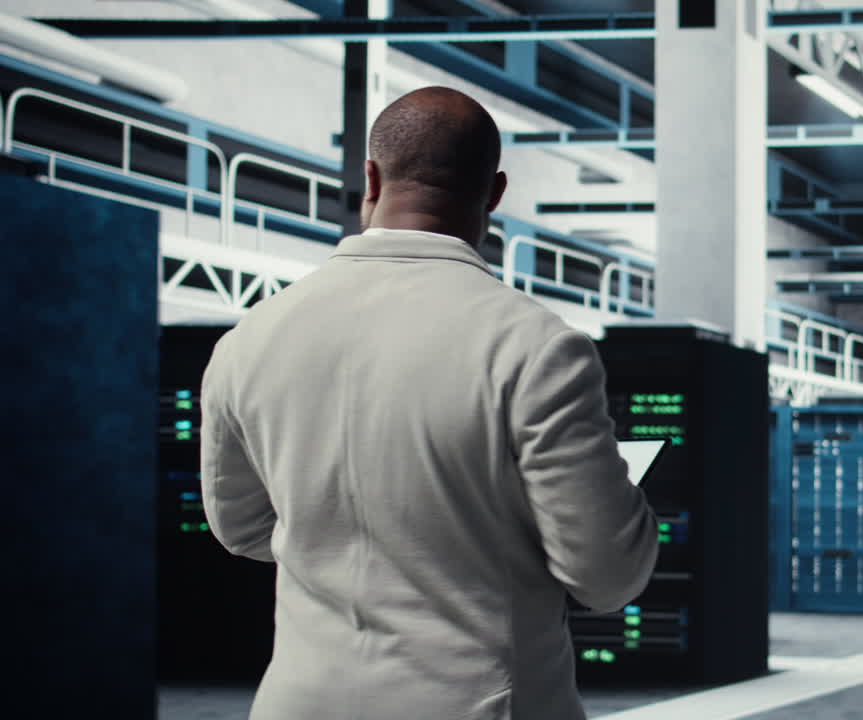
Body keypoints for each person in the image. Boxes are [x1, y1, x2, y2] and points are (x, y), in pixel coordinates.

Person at [199, 86, 658, 720]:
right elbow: (607, 576)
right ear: (494, 193)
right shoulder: (537, 347)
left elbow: (241, 528)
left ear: (369, 175)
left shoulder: (248, 339)